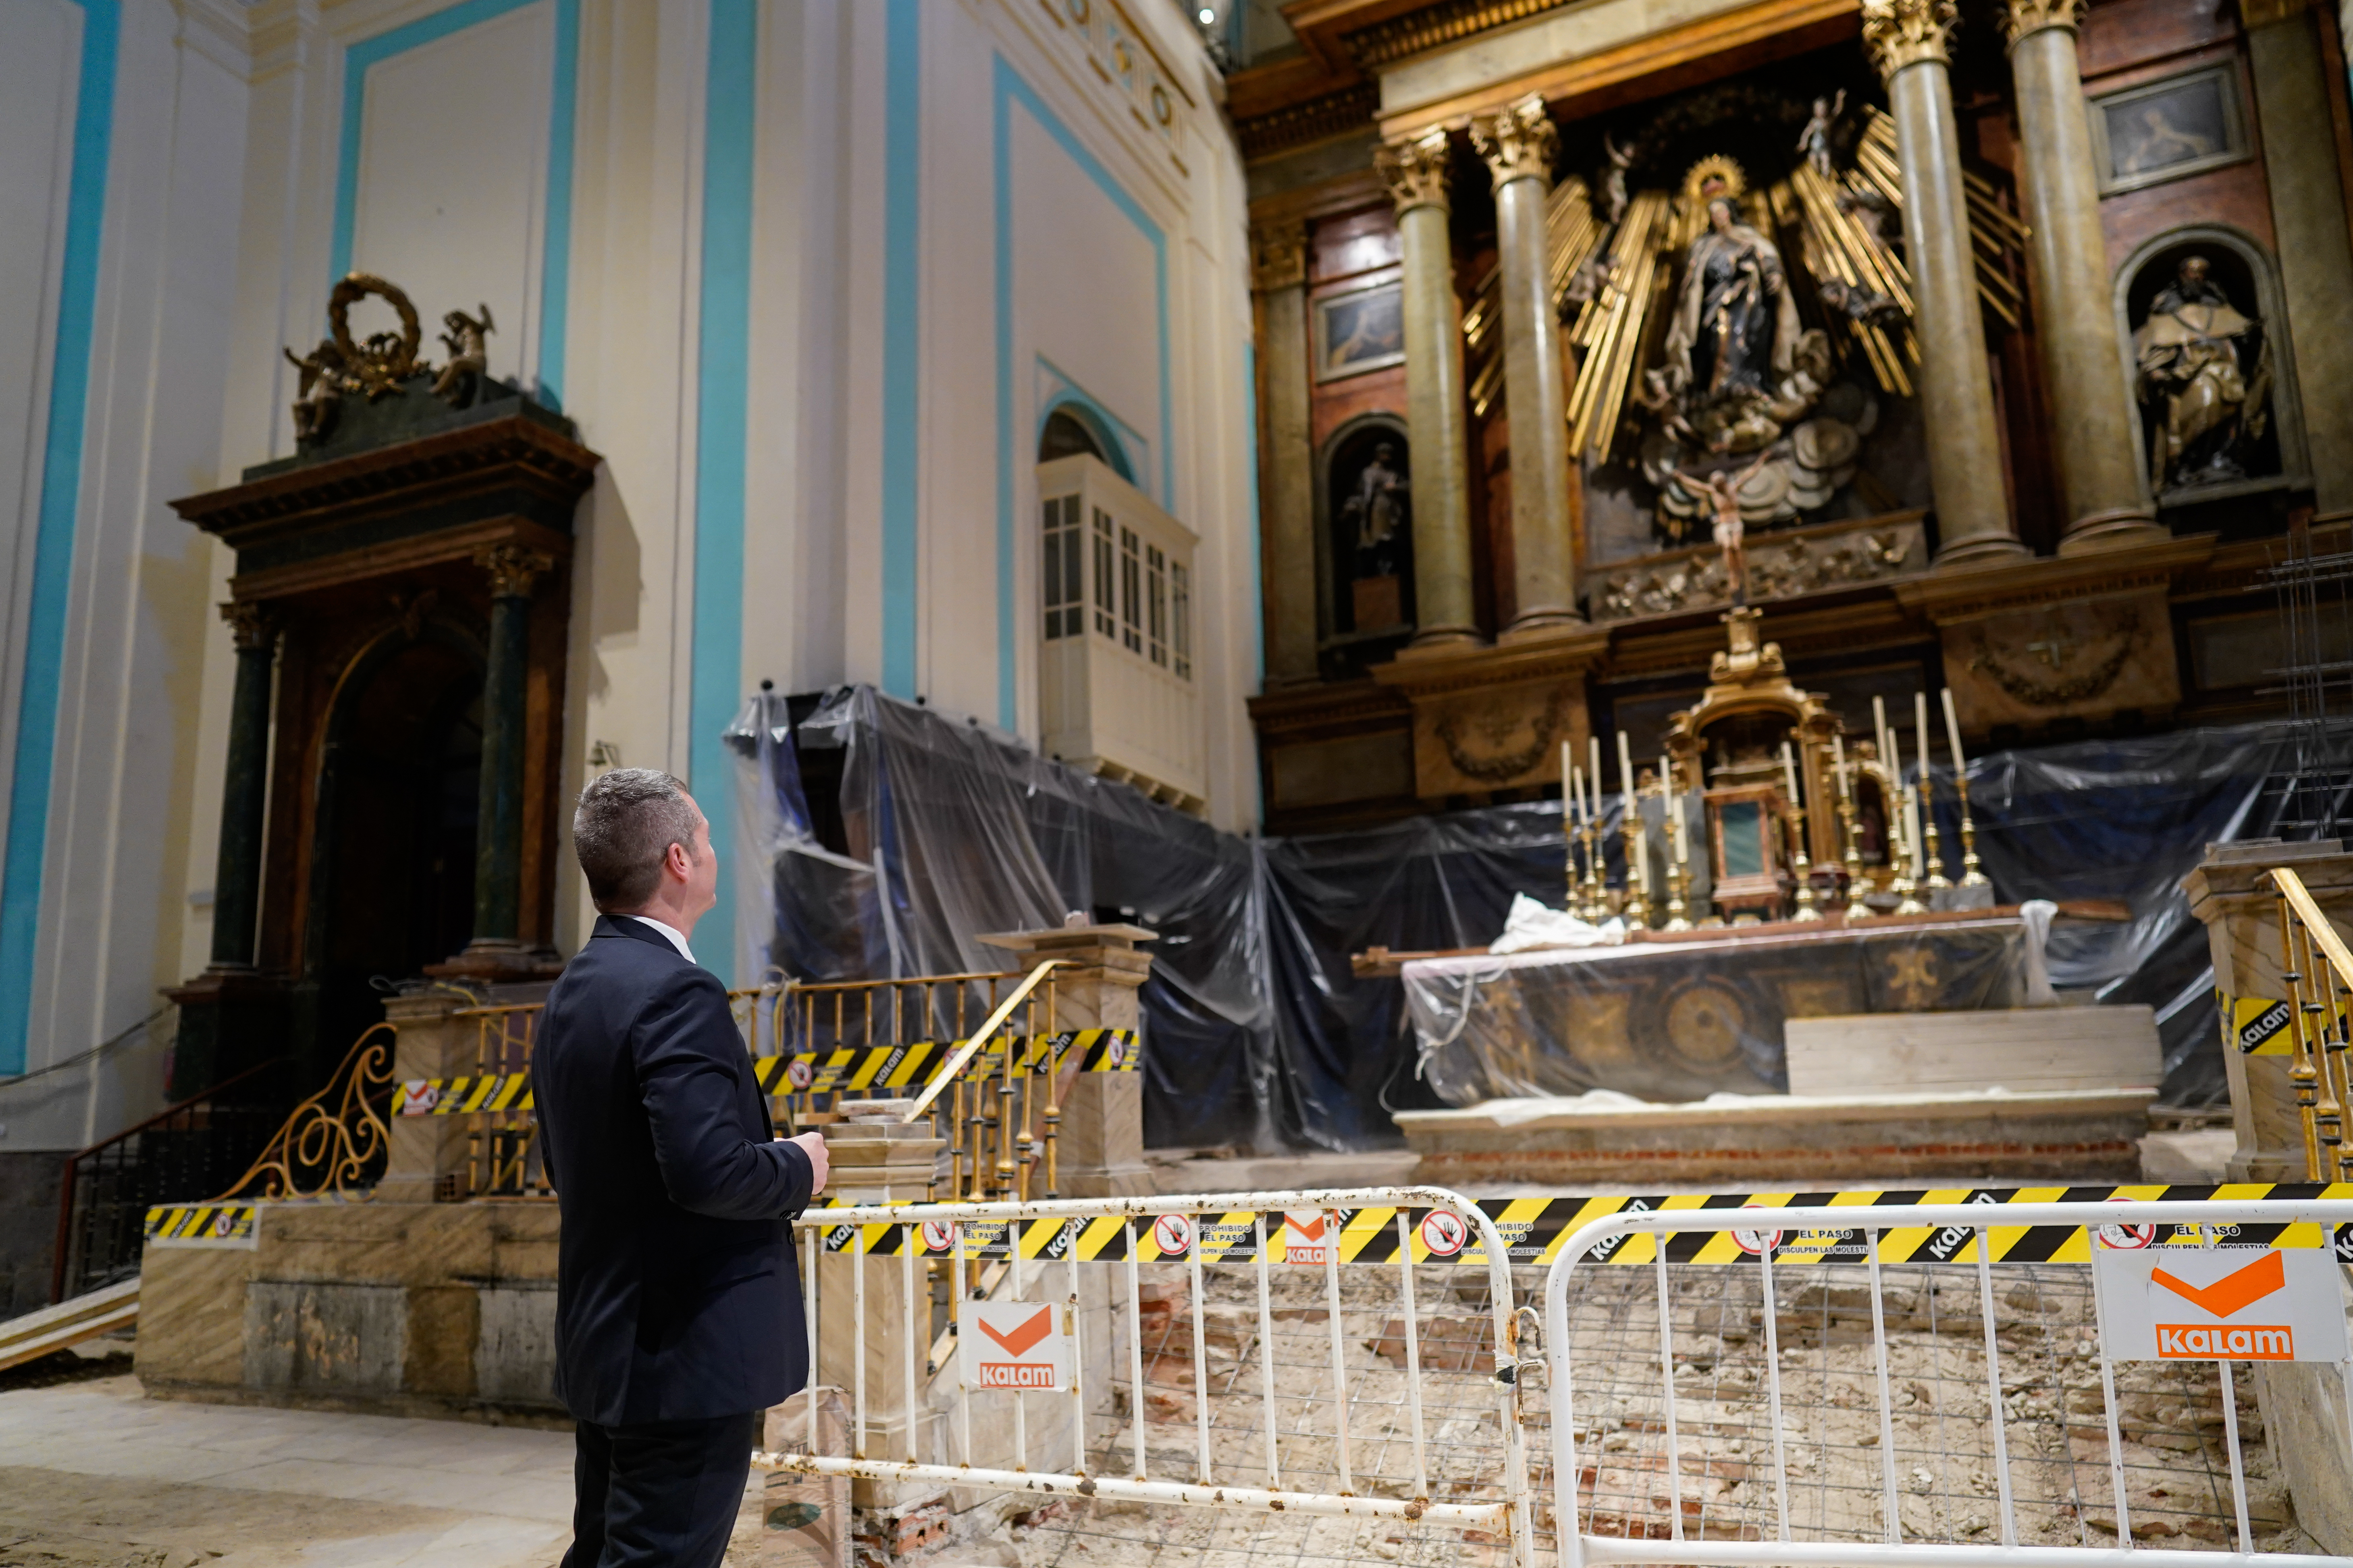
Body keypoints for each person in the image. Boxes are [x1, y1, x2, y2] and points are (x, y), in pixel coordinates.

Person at [534, 768, 831, 1568]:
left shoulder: (573, 990)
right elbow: (708, 1172)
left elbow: (561, 1160)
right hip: (684, 1355)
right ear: (678, 859)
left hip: (610, 1341)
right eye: (703, 836)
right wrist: (799, 1165)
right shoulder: (677, 991)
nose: (713, 850)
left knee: (603, 1550)